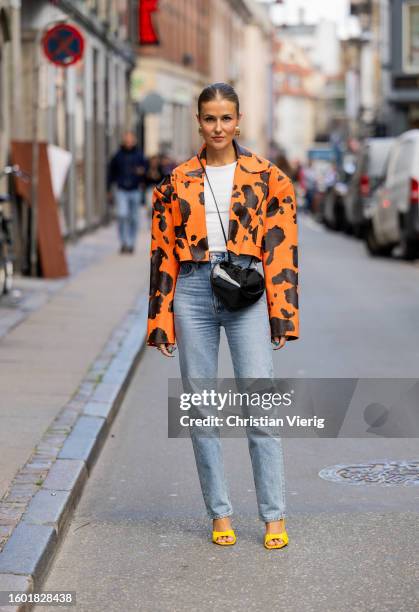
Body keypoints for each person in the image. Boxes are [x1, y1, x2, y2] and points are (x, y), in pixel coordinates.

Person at [146, 82, 299, 549]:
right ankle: (220, 512)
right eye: (210, 118)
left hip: (247, 290)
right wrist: (160, 319)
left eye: (226, 118)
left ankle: (273, 516)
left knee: (260, 406)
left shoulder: (269, 177)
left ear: (239, 120)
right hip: (191, 290)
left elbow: (282, 247)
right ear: (199, 121)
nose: (218, 127)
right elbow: (161, 252)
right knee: (201, 409)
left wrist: (283, 315)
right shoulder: (176, 181)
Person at [107, 132, 148, 254]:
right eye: (127, 140)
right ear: (124, 141)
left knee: (134, 218)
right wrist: (108, 189)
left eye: (131, 140)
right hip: (121, 190)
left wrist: (142, 172)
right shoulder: (118, 156)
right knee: (122, 215)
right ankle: (124, 242)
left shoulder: (139, 155)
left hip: (135, 190)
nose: (129, 142)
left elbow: (146, 170)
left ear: (134, 141)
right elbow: (110, 173)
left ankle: (131, 242)